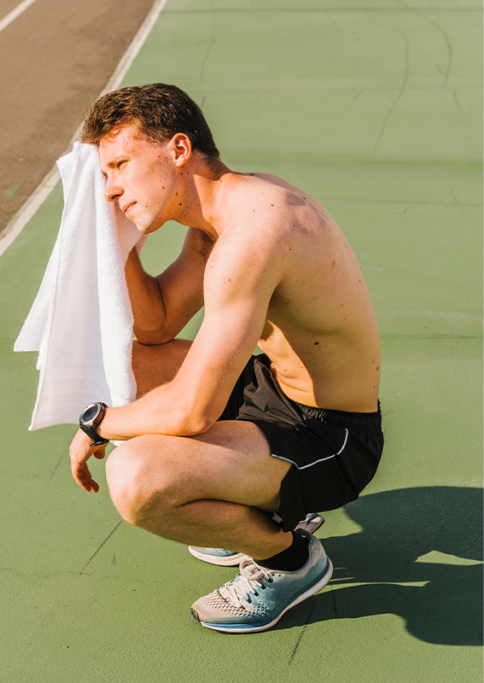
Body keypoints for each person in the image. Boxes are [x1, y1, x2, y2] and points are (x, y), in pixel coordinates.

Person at [69, 84, 383, 633]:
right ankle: (245, 512)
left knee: (136, 478)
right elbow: (158, 323)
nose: (111, 190)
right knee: (128, 364)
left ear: (179, 150)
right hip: (273, 391)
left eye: (121, 165)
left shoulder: (255, 234)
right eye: (105, 174)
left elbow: (192, 412)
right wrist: (113, 245)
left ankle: (287, 560)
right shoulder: (222, 209)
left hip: (330, 437)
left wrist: (96, 424)